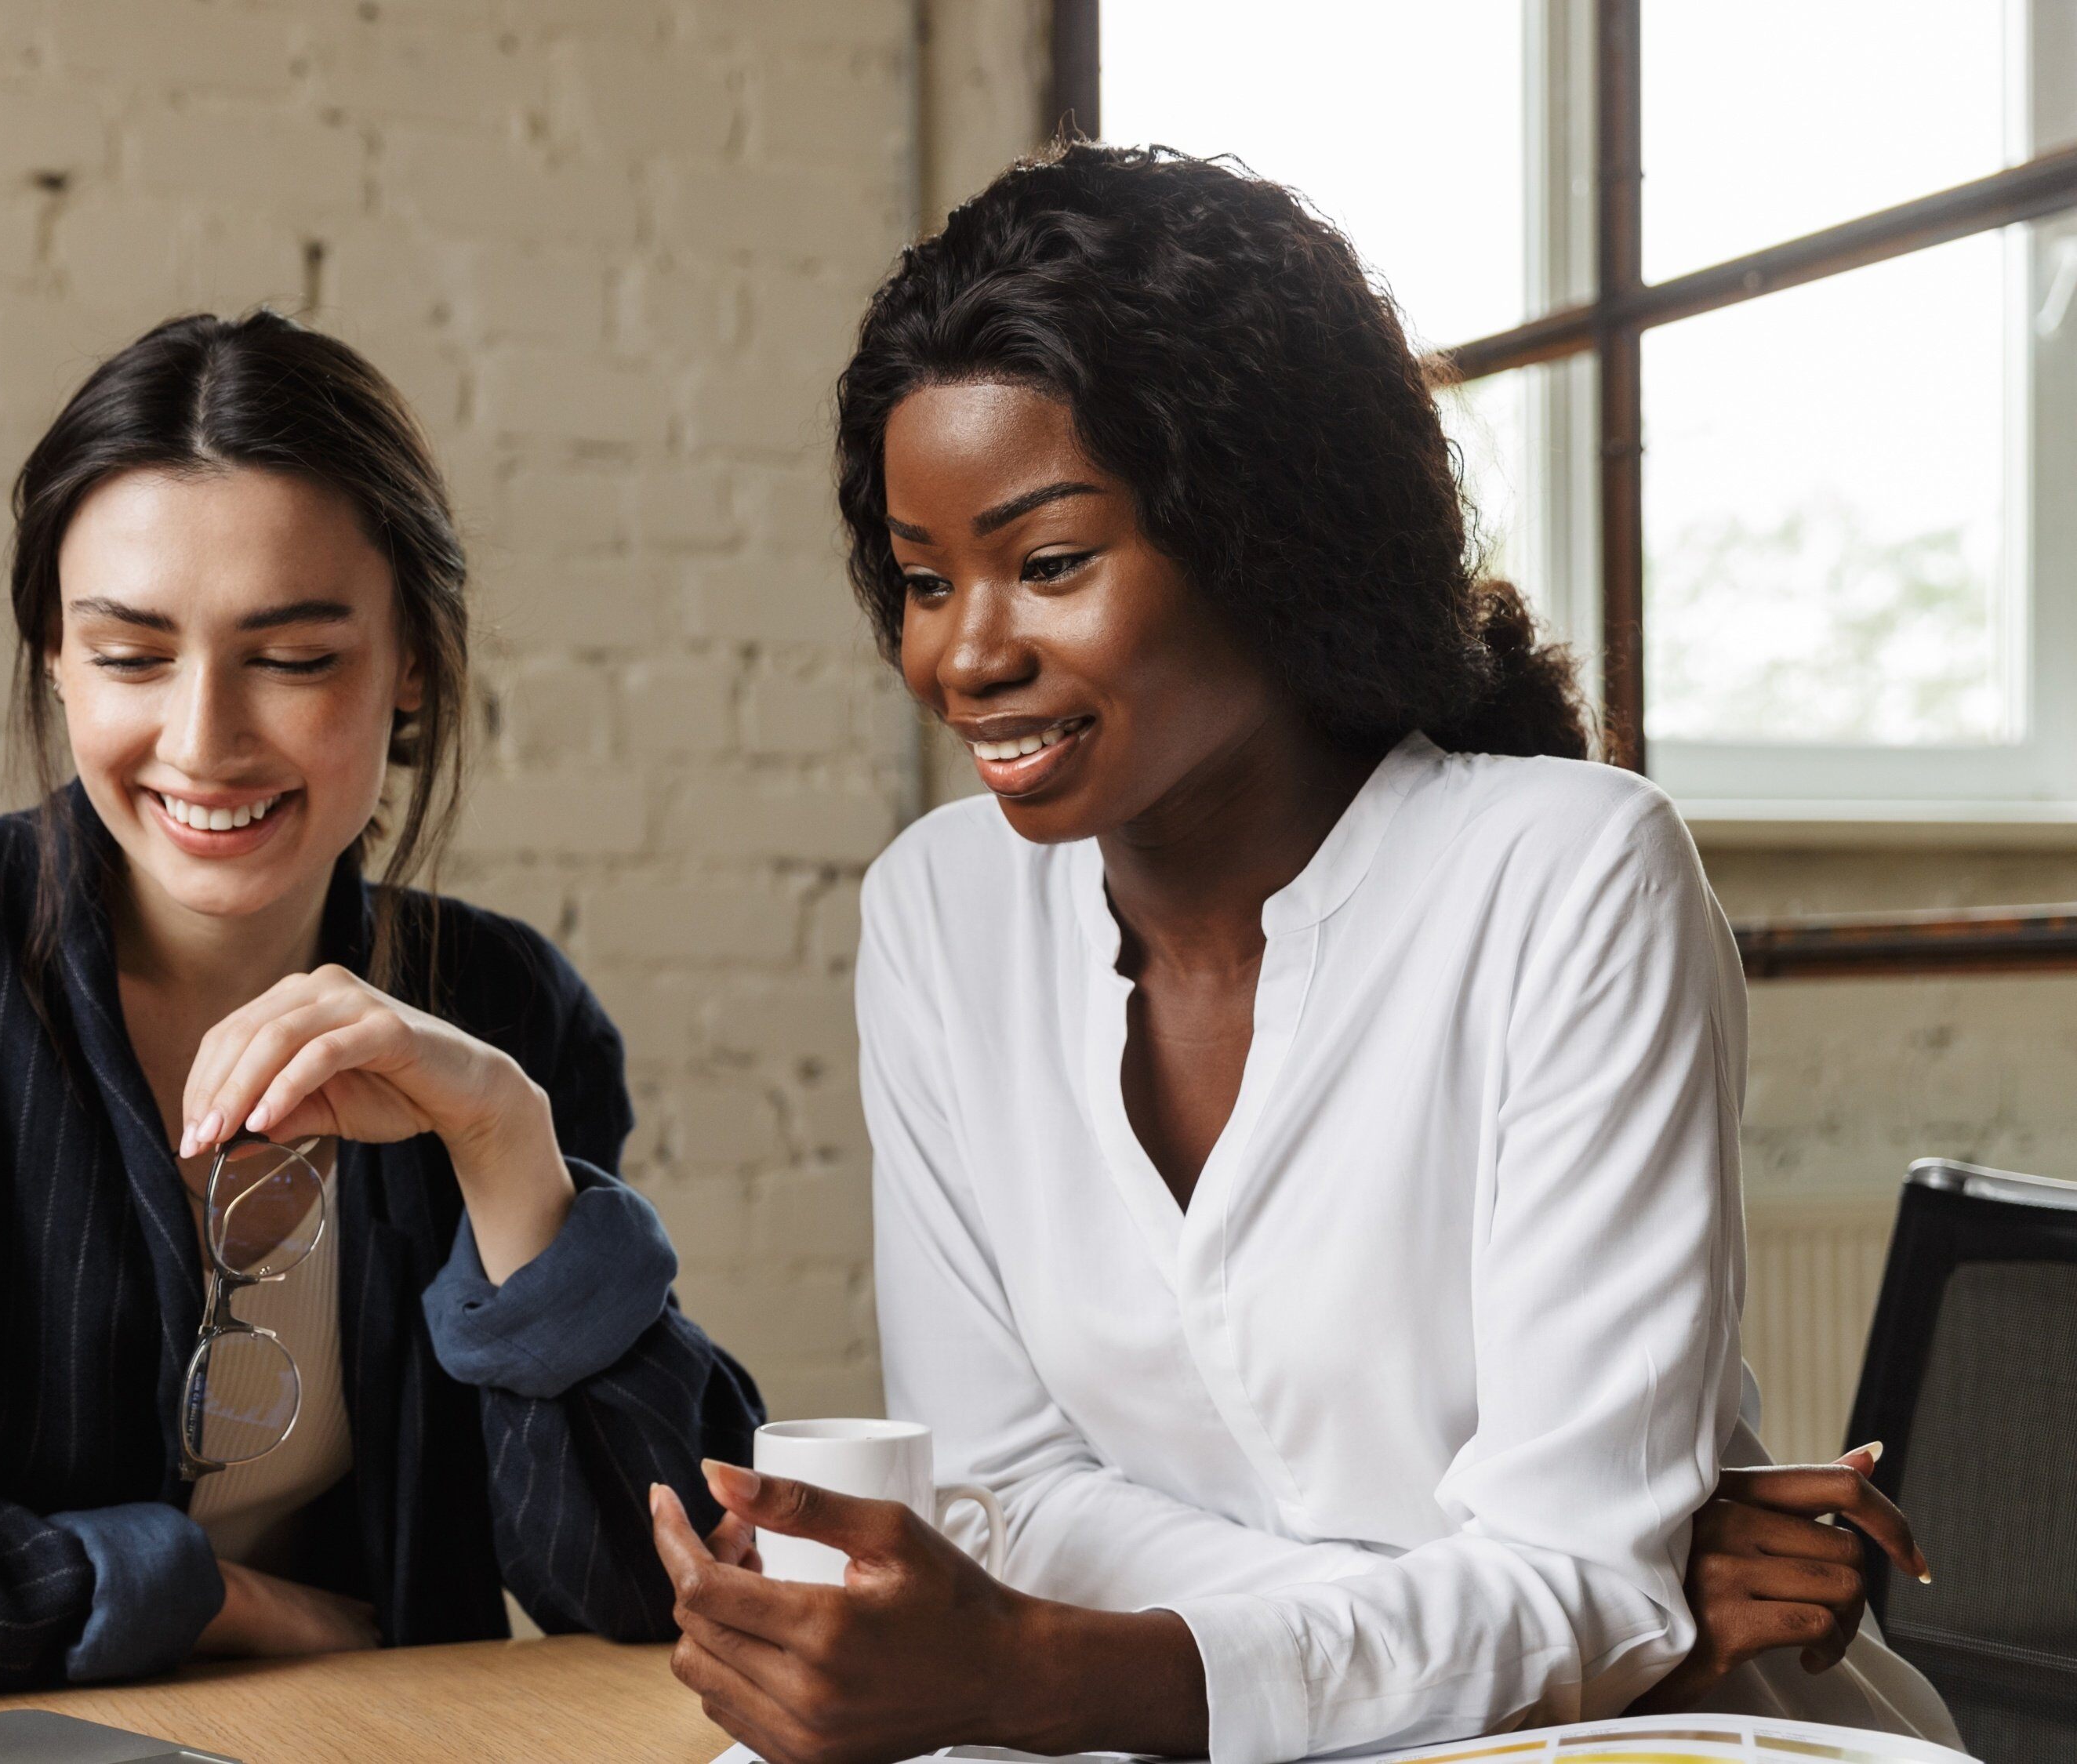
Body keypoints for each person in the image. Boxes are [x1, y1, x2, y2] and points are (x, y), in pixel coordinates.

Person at [648, 145, 1957, 1764]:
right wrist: (1512, 1605)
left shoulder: (1567, 880)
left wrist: (1039, 1671)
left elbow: (1559, 1595)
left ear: (1260, 535)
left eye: (1047, 562)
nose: (966, 653)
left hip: (1654, 1746)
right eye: (923, 582)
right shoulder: (938, 914)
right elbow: (1006, 1493)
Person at [0, 312, 763, 1697]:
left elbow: (656, 1585)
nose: (203, 738)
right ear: (53, 654)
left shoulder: (508, 1009)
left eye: (292, 659)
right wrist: (199, 1594)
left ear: (412, 661)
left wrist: (509, 1154)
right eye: (128, 654)